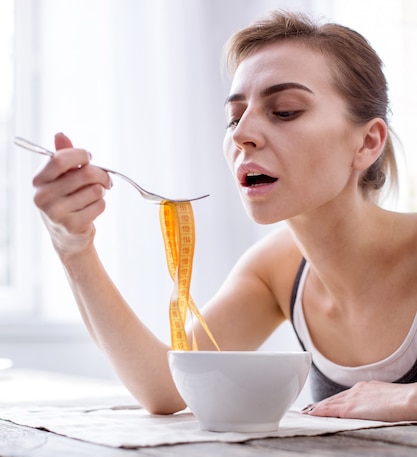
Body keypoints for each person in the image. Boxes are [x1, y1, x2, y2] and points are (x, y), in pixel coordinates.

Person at [32, 10, 417, 422]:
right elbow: (168, 387)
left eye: (285, 111)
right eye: (234, 117)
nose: (240, 134)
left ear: (367, 142)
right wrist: (74, 247)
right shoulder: (277, 270)